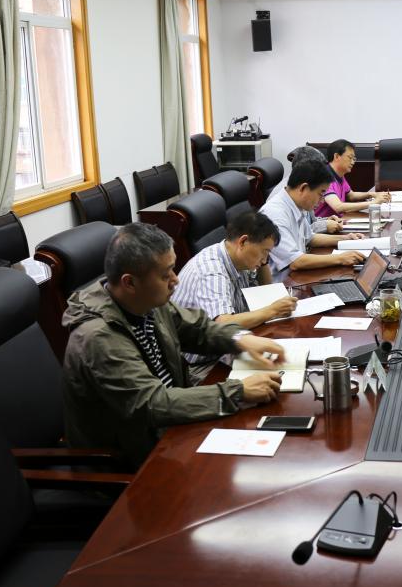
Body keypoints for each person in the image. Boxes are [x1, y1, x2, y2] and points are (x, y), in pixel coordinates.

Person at [62, 223, 286, 469]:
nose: (175, 280)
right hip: (135, 457)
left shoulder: (146, 301)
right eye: (165, 274)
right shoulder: (98, 337)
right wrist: (237, 391)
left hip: (172, 424)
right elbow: (152, 403)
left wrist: (239, 339)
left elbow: (198, 328)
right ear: (130, 283)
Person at [171, 211, 297, 383]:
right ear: (243, 242)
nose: (264, 260)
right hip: (203, 367)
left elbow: (265, 290)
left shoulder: (238, 258)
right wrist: (272, 310)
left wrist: (263, 260)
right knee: (276, 381)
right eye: (265, 252)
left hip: (227, 349)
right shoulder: (211, 271)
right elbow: (223, 323)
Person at [258, 159, 366, 279]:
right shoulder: (275, 214)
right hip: (284, 284)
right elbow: (295, 261)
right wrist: (341, 258)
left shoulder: (296, 204)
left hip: (297, 277)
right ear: (303, 188)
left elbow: (310, 238)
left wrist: (345, 239)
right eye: (321, 193)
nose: (322, 200)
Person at [314, 139, 391, 217]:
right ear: (336, 156)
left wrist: (372, 194)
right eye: (350, 158)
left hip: (338, 220)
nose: (353, 162)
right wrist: (374, 203)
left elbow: (350, 195)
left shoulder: (339, 174)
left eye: (354, 159)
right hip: (324, 223)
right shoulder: (325, 176)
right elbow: (338, 207)